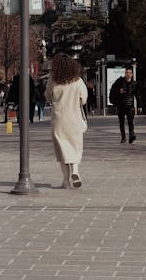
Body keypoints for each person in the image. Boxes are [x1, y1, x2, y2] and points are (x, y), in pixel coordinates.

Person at [45, 53, 88, 189]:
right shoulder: (78, 81)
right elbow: (84, 98)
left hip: (58, 119)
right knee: (75, 147)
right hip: (74, 119)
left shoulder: (53, 80)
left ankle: (65, 181)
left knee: (62, 150)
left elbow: (47, 96)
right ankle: (75, 171)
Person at [109, 66, 141, 144]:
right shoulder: (119, 81)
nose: (128, 74)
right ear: (125, 73)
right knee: (121, 122)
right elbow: (113, 90)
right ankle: (123, 137)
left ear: (132, 74)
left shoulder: (134, 83)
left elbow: (138, 95)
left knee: (130, 121)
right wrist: (119, 90)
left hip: (130, 105)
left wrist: (140, 106)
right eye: (127, 73)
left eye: (130, 73)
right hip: (121, 105)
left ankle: (131, 135)